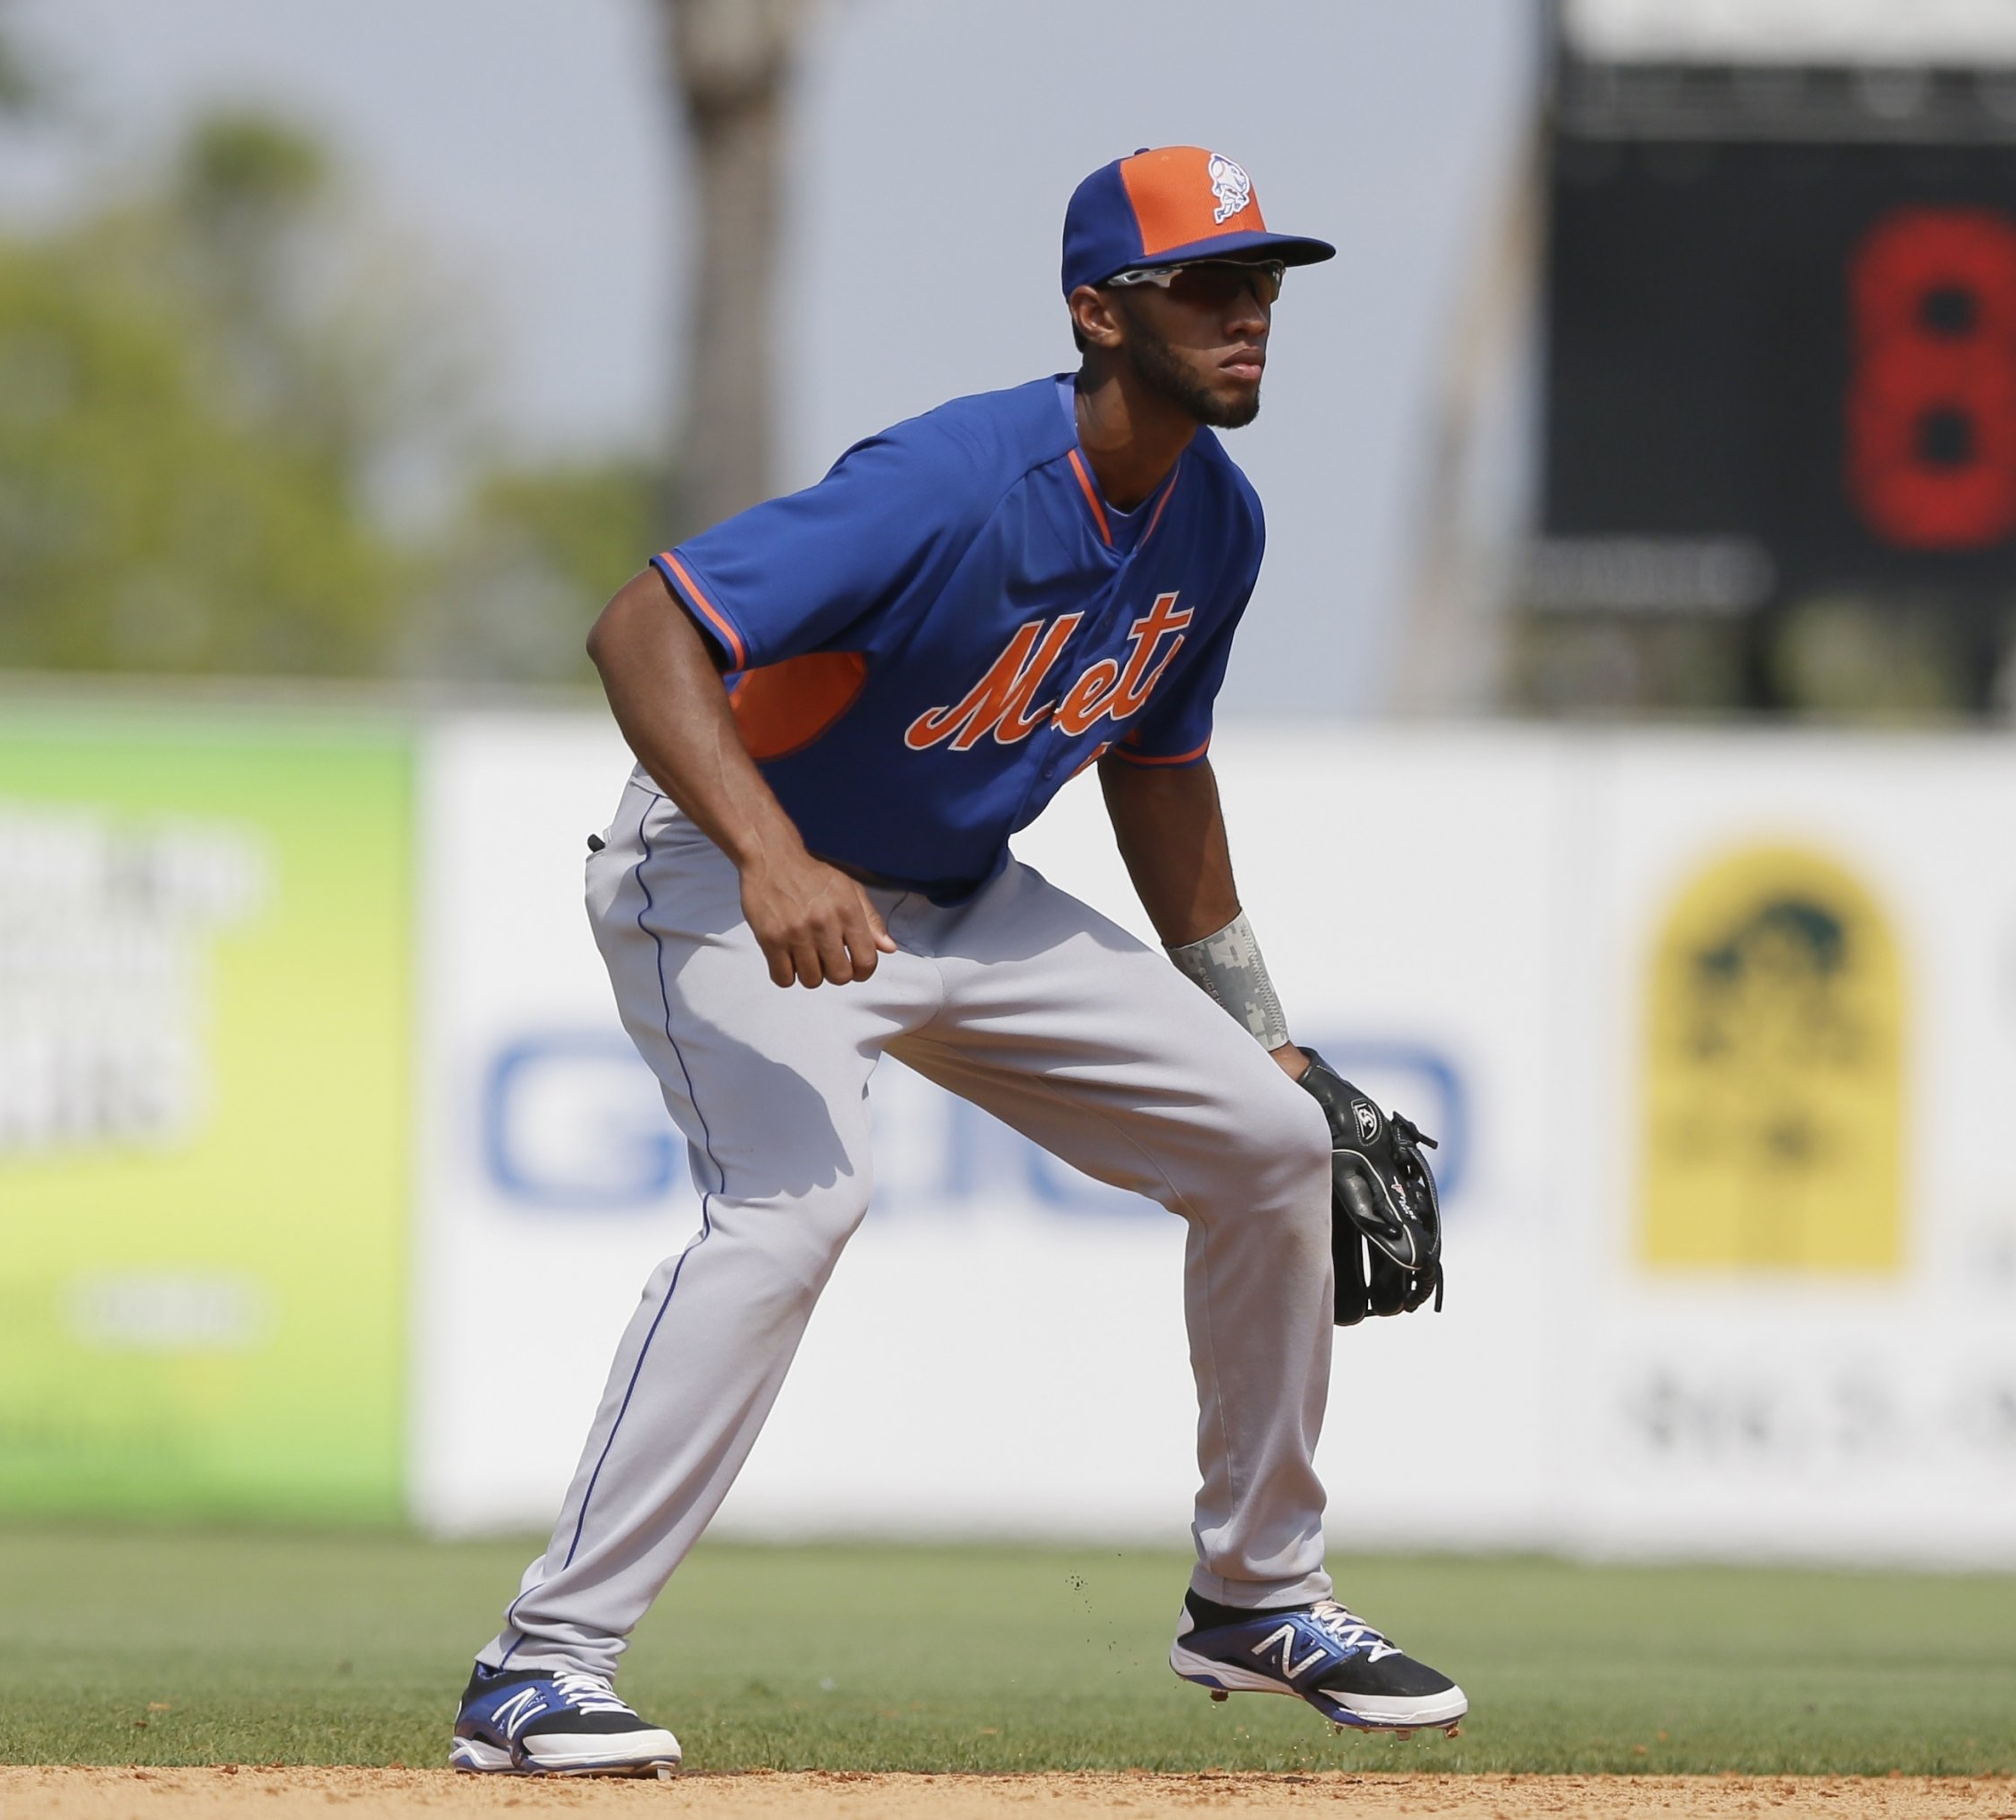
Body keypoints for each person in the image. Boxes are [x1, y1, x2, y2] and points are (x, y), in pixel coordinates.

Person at [449, 145, 1466, 1778]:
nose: (1251, 310)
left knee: (1276, 1145)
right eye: (1209, 282)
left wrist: (1262, 1038)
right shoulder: (953, 478)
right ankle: (540, 1665)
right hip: (717, 871)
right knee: (796, 1205)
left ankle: (1258, 1593)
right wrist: (771, 854)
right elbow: (645, 630)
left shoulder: (1218, 519)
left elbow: (1160, 774)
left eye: (1264, 281)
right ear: (1098, 312)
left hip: (956, 895)